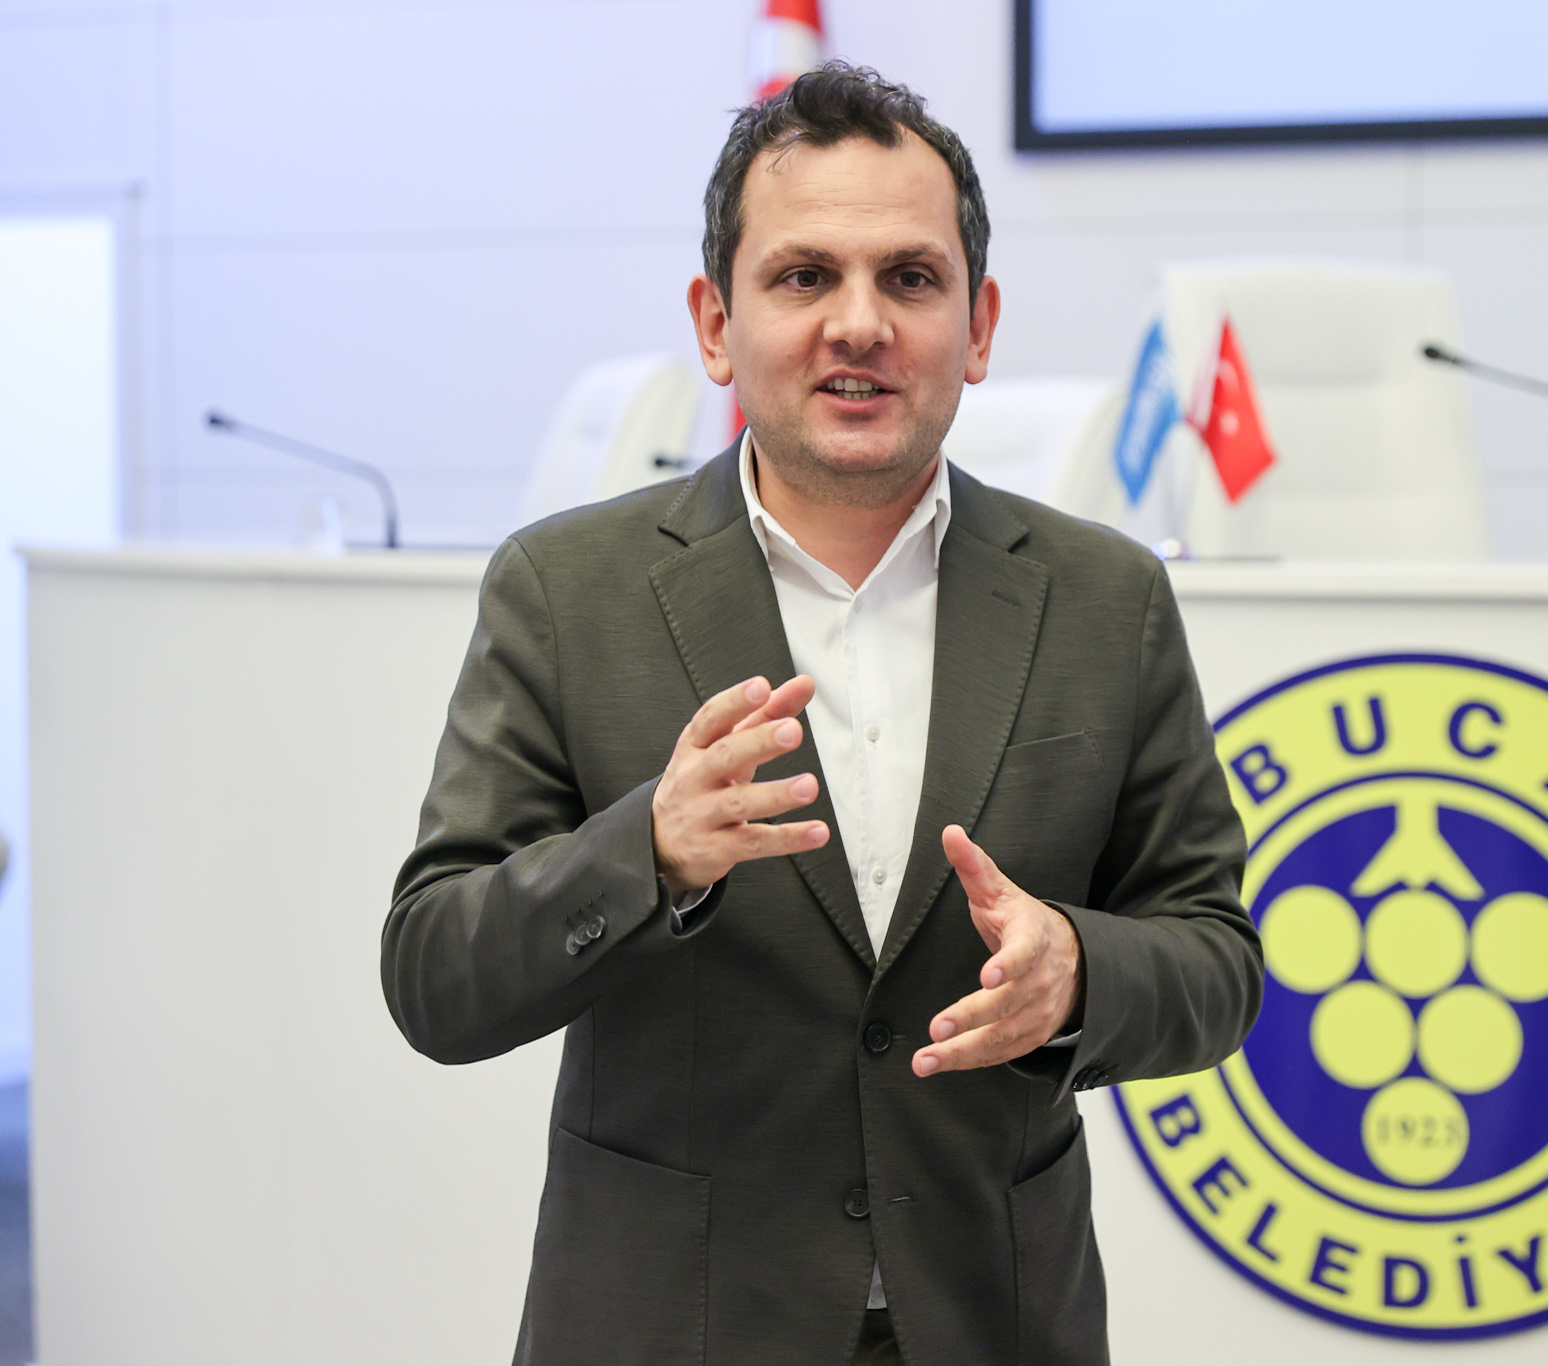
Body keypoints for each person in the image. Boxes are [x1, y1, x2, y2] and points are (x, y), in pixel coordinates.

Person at [382, 63, 1260, 1366]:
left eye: (910, 278)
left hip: (994, 1319)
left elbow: (1218, 962)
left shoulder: (1104, 598)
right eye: (804, 277)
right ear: (717, 323)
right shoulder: (566, 590)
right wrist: (647, 853)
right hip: (670, 1328)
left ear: (979, 325)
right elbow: (435, 978)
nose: (860, 323)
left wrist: (1080, 970)